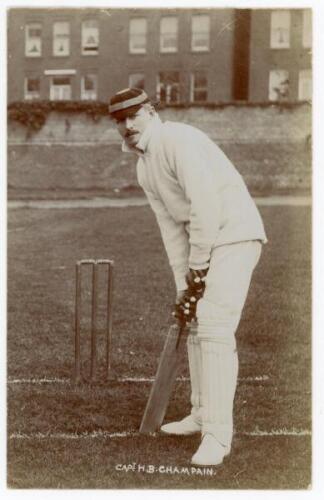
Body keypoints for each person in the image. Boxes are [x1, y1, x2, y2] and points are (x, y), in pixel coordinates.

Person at [109, 88, 267, 466]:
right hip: (209, 240)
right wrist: (184, 281)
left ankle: (217, 435)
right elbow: (170, 227)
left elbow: (205, 204)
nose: (128, 125)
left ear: (151, 112)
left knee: (213, 326)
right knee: (195, 324)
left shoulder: (176, 139)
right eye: (120, 120)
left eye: (135, 115)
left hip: (234, 234)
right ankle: (200, 413)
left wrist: (198, 265)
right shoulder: (143, 165)